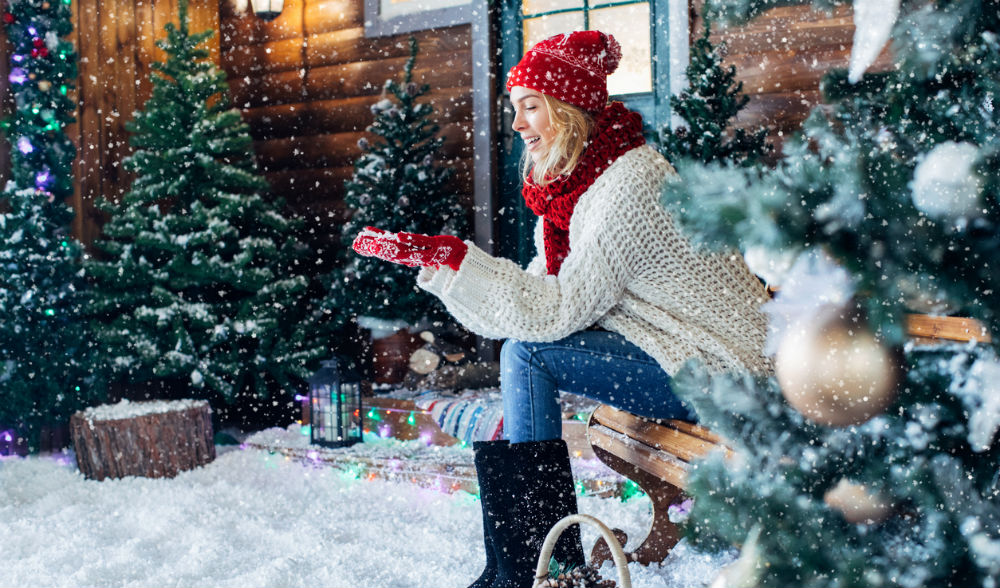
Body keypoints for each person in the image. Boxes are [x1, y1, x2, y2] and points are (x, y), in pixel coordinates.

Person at [352, 30, 772, 588]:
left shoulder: (630, 184)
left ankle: (539, 565)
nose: (519, 123)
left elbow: (558, 311)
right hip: (673, 352)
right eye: (514, 109)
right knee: (523, 353)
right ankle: (532, 563)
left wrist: (459, 262)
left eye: (531, 107)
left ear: (569, 110)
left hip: (722, 368)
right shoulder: (574, 190)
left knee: (529, 356)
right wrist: (450, 265)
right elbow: (536, 296)